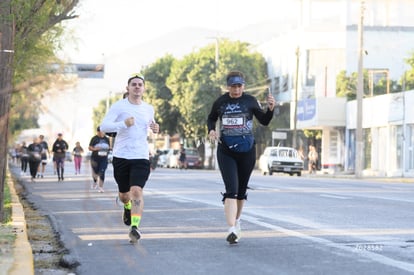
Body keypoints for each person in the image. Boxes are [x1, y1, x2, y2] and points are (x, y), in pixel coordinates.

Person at [207, 70, 275, 244]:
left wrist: (270, 109)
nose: (236, 90)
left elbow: (265, 121)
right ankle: (230, 229)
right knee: (231, 190)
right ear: (228, 86)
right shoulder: (221, 102)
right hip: (226, 151)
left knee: (241, 191)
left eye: (239, 86)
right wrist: (212, 130)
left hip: (247, 151)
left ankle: (237, 222)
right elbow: (211, 118)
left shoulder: (250, 101)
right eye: (233, 86)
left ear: (243, 86)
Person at [100, 73, 159, 243]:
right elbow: (104, 126)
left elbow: (151, 126)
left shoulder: (149, 108)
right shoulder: (119, 106)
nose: (137, 87)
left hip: (141, 155)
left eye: (140, 84)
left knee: (136, 191)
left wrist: (155, 128)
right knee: (124, 194)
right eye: (134, 84)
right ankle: (126, 206)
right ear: (128, 88)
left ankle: (134, 227)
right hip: (121, 156)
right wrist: (123, 124)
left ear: (144, 88)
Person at [88, 127, 110, 192]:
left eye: (102, 131)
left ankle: (100, 187)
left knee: (102, 172)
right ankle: (95, 181)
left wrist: (109, 149)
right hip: (95, 158)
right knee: (95, 172)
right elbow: (89, 147)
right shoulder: (94, 138)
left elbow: (109, 147)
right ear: (97, 132)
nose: (101, 133)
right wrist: (95, 149)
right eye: (99, 132)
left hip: (104, 158)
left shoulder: (107, 139)